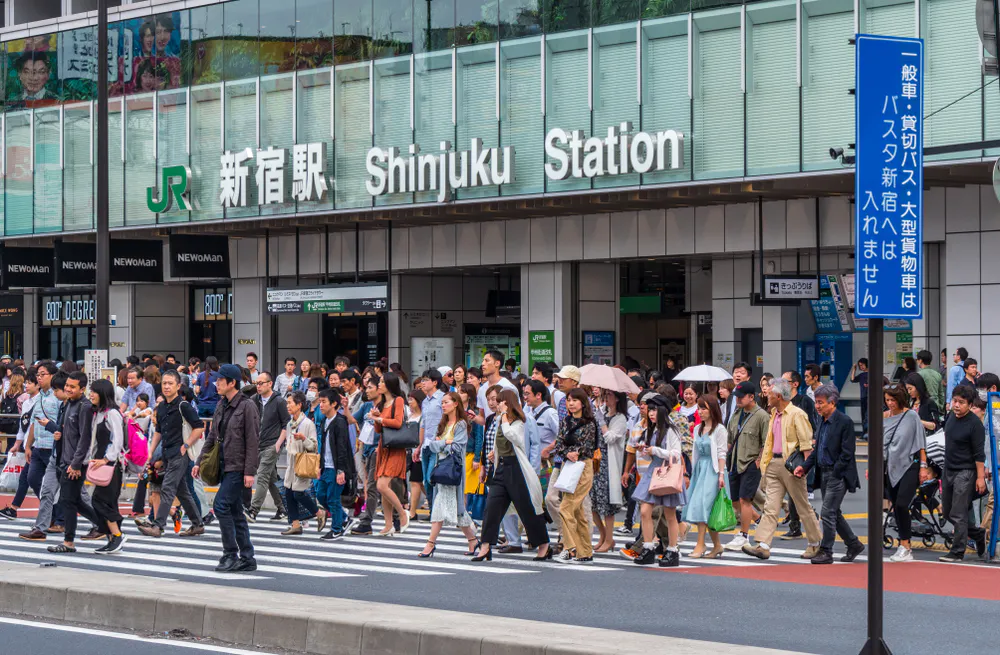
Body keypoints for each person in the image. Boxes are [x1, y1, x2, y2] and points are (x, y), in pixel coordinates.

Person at [742, 378, 823, 560]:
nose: (766, 395)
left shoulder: (796, 414)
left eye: (769, 393)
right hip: (773, 464)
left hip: (791, 465)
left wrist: (805, 467)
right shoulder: (773, 413)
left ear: (778, 396)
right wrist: (765, 462)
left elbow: (806, 444)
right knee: (770, 507)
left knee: (802, 506)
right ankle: (763, 545)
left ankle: (815, 543)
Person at [193, 363, 260, 572]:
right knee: (235, 512)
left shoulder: (247, 406)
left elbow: (253, 441)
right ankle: (247, 557)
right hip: (223, 464)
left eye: (220, 381)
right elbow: (212, 436)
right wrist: (199, 461)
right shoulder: (221, 404)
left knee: (221, 506)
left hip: (238, 467)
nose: (216, 384)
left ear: (232, 383)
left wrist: (250, 472)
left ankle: (230, 553)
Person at [472, 389, 550, 562]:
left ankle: (543, 544)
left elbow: (513, 437)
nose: (496, 405)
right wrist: (493, 454)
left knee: (527, 509)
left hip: (517, 470)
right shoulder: (500, 420)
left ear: (507, 403)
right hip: (501, 468)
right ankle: (485, 545)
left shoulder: (521, 421)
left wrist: (505, 417)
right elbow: (499, 442)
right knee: (491, 507)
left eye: (499, 401)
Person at [795, 384, 864, 564]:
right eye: (816, 402)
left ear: (832, 403)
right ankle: (853, 543)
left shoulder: (844, 422)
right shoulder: (821, 422)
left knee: (827, 512)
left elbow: (847, 452)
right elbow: (817, 449)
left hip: (837, 474)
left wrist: (836, 472)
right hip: (823, 472)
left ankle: (826, 550)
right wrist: (805, 467)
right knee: (834, 512)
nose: (817, 406)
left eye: (820, 403)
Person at [138, 370, 206, 538]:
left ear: (178, 386)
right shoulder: (161, 407)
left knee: (167, 488)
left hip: (179, 454)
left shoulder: (183, 406)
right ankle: (197, 524)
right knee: (182, 491)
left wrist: (186, 445)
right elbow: (158, 432)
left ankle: (158, 526)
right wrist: (150, 451)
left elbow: (199, 427)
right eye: (164, 383)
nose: (167, 386)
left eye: (170, 383)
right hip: (167, 454)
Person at [419, 392, 479, 557]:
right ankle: (472, 540)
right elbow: (432, 445)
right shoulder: (444, 423)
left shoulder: (460, 424)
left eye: (446, 402)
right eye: (442, 402)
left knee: (440, 506)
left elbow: (458, 447)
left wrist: (442, 444)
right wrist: (445, 442)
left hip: (452, 469)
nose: (443, 405)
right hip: (443, 469)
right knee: (458, 511)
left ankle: (430, 544)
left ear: (455, 404)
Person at [631, 394, 687, 567]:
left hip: (666, 472)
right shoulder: (652, 430)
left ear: (663, 411)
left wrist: (655, 450)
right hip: (654, 471)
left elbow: (676, 455)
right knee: (645, 510)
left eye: (654, 410)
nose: (651, 414)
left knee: (670, 514)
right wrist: (645, 450)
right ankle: (648, 547)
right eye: (650, 410)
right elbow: (653, 454)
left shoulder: (671, 430)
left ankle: (672, 550)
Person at [47, 371, 99, 554]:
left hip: (75, 463)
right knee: (75, 501)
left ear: (82, 389)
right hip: (65, 460)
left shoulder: (84, 407)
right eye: (67, 385)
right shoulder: (70, 403)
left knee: (67, 501)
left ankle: (69, 542)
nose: (68, 389)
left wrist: (76, 464)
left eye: (72, 386)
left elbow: (85, 438)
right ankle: (108, 527)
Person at [939, 385, 988, 562]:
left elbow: (979, 454)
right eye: (955, 401)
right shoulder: (951, 417)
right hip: (948, 469)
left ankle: (957, 551)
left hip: (966, 472)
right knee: (947, 512)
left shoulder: (975, 425)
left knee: (959, 514)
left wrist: (980, 478)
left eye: (961, 402)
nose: (956, 405)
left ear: (969, 404)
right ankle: (978, 534)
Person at [881, 382, 929, 563]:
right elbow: (879, 445)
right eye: (887, 400)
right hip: (889, 466)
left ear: (900, 399)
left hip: (910, 465)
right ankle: (903, 544)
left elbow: (920, 444)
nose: (890, 403)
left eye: (893, 400)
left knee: (901, 504)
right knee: (896, 505)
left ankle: (906, 545)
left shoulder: (911, 417)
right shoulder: (883, 417)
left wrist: (923, 467)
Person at [552, 388, 599, 563]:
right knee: (577, 511)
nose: (571, 403)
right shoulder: (565, 421)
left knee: (566, 507)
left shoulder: (590, 423)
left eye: (575, 400)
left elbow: (588, 447)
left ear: (583, 403)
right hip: (568, 466)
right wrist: (567, 453)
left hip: (583, 467)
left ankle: (569, 547)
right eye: (568, 400)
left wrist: (571, 452)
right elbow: (558, 443)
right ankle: (584, 551)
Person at [680, 395, 729, 559]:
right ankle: (717, 546)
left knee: (703, 506)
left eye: (704, 408)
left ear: (712, 410)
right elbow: (694, 453)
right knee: (707, 509)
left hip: (714, 471)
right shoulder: (697, 429)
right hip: (700, 470)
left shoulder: (720, 429)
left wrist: (721, 474)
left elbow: (722, 453)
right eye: (699, 408)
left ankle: (700, 545)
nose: (700, 412)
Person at [724, 381, 769, 551]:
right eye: (737, 397)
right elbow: (729, 439)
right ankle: (757, 519)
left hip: (751, 463)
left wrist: (758, 462)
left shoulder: (762, 416)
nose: (738, 400)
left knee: (745, 499)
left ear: (752, 397)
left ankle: (743, 535)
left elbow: (766, 442)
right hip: (735, 461)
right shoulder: (736, 414)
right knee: (735, 501)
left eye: (741, 397)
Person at [87, 379, 128, 554]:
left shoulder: (112, 413)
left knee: (99, 500)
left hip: (112, 465)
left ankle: (117, 534)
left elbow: (117, 441)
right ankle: (112, 539)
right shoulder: (99, 413)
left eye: (94, 392)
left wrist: (106, 459)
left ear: (103, 393)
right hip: (102, 464)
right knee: (108, 502)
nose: (91, 395)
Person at [247, 371, 289, 523]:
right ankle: (284, 508)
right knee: (271, 478)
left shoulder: (279, 402)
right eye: (256, 383)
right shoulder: (253, 400)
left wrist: (278, 445)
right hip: (257, 445)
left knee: (263, 475)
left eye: (261, 383)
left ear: (270, 384)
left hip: (272, 445)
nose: (258, 386)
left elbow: (286, 425)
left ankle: (253, 510)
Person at [372, 371, 409, 536]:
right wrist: (376, 418)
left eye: (381, 382)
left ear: (388, 384)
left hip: (395, 449)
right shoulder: (382, 403)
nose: (379, 384)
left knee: (381, 485)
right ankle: (388, 524)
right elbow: (380, 430)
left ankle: (402, 513)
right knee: (383, 487)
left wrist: (380, 419)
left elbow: (398, 422)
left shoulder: (398, 400)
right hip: (384, 447)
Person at [279, 391, 319, 536]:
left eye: (290, 403)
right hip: (291, 462)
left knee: (298, 493)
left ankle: (319, 513)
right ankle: (295, 524)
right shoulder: (290, 423)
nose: (287, 405)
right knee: (288, 492)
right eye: (287, 402)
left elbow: (314, 446)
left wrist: (303, 439)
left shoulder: (308, 424)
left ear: (299, 405)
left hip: (303, 462)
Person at [592, 390, 627, 553]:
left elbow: (610, 438)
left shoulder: (620, 418)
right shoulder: (601, 413)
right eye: (605, 395)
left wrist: (602, 423)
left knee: (607, 504)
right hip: (595, 461)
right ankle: (603, 534)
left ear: (618, 398)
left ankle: (609, 538)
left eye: (610, 395)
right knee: (592, 502)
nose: (606, 398)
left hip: (609, 463)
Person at [317, 388, 354, 540]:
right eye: (320, 402)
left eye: (324, 402)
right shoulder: (325, 421)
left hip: (336, 467)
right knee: (321, 495)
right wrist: (320, 466)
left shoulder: (339, 422)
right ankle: (344, 518)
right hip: (326, 466)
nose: (321, 405)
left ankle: (337, 529)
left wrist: (341, 470)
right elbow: (324, 446)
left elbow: (342, 448)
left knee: (332, 498)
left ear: (333, 404)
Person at [406, 389, 426, 520]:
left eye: (411, 399)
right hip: (410, 452)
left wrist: (419, 447)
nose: (409, 402)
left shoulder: (423, 416)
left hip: (419, 452)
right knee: (420, 483)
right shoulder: (409, 416)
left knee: (416, 481)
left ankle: (412, 512)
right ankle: (436, 505)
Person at [850, 359, 870, 438]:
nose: (861, 367)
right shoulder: (862, 375)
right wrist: (854, 369)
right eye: (860, 365)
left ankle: (867, 431)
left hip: (869, 396)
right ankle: (864, 432)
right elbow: (852, 379)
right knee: (864, 415)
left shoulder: (870, 374)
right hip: (863, 397)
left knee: (867, 415)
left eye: (862, 365)